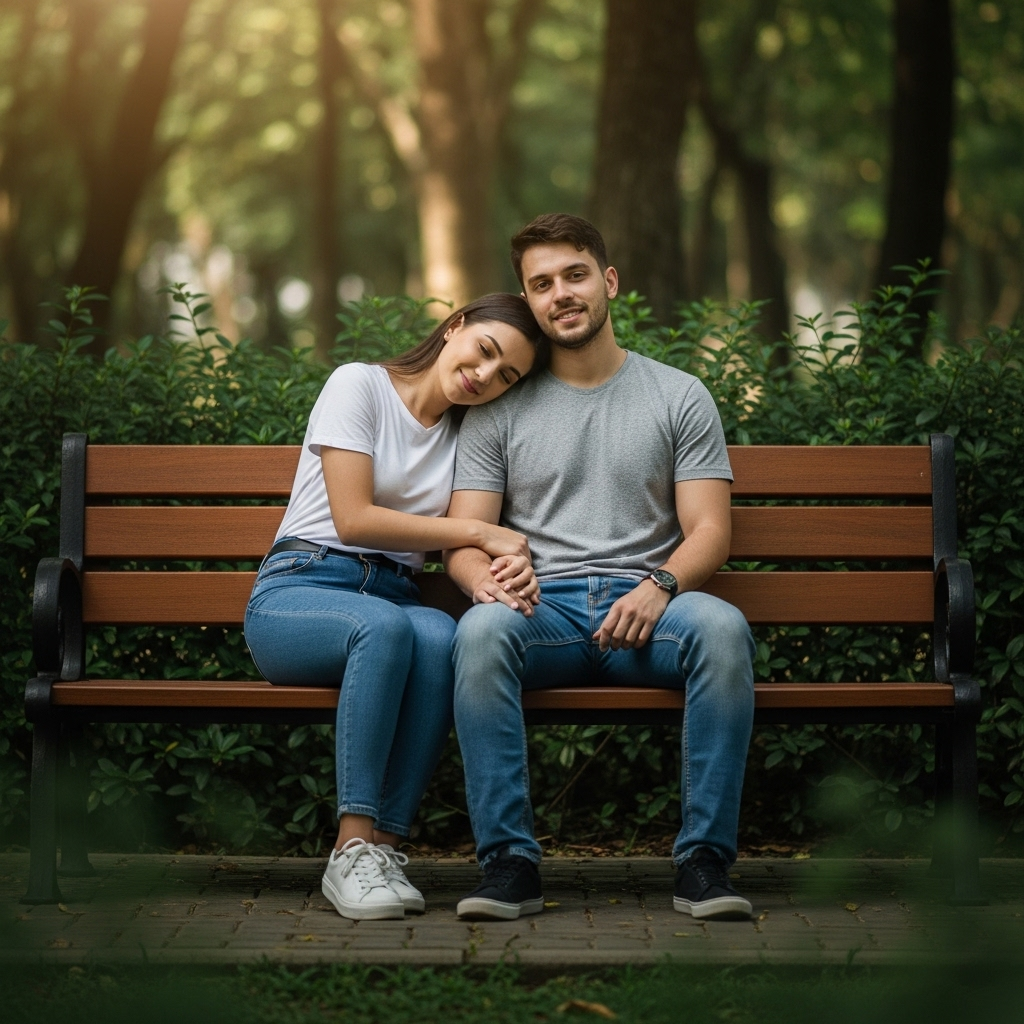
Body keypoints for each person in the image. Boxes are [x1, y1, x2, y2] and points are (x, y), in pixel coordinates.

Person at [444, 214, 756, 923]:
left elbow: (711, 530)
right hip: (541, 614)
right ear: (531, 302)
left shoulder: (678, 395)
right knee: (479, 632)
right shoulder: (498, 410)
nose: (562, 294)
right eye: (542, 284)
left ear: (608, 281)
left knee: (725, 630)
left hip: (649, 616)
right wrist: (483, 583)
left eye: (575, 275)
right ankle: (509, 865)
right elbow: (462, 542)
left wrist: (661, 585)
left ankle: (704, 864)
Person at [244, 293, 546, 921]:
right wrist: (479, 535)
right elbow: (353, 520)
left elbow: (474, 527)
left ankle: (383, 850)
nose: (485, 376)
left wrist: (506, 566)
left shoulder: (468, 433)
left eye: (506, 376)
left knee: (439, 635)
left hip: (392, 599)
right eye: (485, 350)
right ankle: (350, 847)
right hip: (299, 591)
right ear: (456, 325)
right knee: (383, 629)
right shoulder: (358, 386)